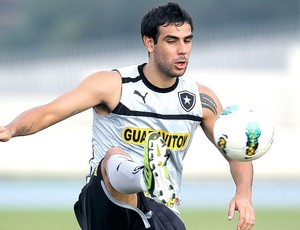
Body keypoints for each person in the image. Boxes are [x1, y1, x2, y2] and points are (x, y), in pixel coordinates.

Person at [0, 2, 255, 230]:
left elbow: (235, 150)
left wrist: (243, 194)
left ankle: (151, 183)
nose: (182, 50)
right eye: (171, 41)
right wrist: (11, 129)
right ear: (149, 42)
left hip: (161, 209)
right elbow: (49, 112)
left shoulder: (201, 100)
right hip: (105, 200)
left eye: (187, 40)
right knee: (113, 155)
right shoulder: (113, 85)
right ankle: (144, 173)